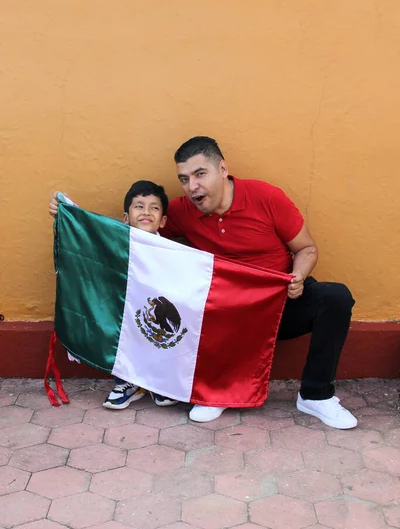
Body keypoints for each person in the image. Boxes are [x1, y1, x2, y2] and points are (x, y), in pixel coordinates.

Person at [158, 136, 357, 429]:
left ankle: (316, 395)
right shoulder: (183, 210)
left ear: (222, 169)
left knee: (336, 297)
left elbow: (307, 248)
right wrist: (74, 216)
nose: (192, 187)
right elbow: (140, 230)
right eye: (184, 179)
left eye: (200, 174)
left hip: (279, 306)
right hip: (229, 314)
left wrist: (298, 277)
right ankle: (219, 391)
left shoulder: (266, 197)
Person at [49, 180, 179, 410]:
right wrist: (67, 215)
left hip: (153, 320)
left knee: (161, 334)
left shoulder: (171, 252)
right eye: (139, 206)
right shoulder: (115, 243)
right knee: (120, 326)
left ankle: (157, 381)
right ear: (126, 217)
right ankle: (127, 382)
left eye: (154, 207)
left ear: (164, 220)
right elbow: (90, 235)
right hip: (123, 316)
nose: (146, 212)